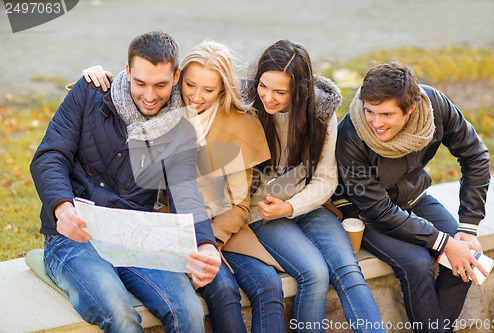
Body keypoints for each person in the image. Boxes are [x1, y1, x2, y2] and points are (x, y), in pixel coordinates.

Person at [82, 41, 286, 333]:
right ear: (178, 79)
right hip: (173, 225)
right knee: (223, 290)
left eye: (209, 90)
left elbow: (239, 205)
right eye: (191, 85)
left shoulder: (240, 125)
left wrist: (211, 241)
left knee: (268, 284)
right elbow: (129, 88)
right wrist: (94, 73)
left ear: (223, 90)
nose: (196, 97)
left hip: (223, 227)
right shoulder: (159, 107)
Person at [30, 31, 221, 333]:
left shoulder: (180, 127)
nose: (149, 95)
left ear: (176, 77)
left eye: (160, 84)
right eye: (140, 82)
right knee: (121, 316)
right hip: (75, 236)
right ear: (128, 71)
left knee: (188, 311)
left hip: (135, 238)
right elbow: (50, 155)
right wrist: (61, 207)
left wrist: (206, 244)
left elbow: (186, 190)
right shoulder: (89, 92)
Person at [333, 61, 490, 332]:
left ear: (411, 108)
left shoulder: (435, 107)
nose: (375, 123)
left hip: (412, 196)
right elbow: (377, 210)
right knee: (417, 265)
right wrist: (444, 242)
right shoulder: (350, 134)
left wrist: (467, 226)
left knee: (465, 257)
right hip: (365, 210)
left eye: (386, 114)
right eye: (369, 111)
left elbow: (475, 155)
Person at [245, 40, 385, 333]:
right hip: (263, 211)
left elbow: (325, 179)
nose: (268, 97)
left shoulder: (321, 114)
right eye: (263, 86)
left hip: (307, 204)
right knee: (315, 273)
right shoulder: (247, 111)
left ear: (299, 91)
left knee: (348, 269)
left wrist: (293, 206)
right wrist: (277, 208)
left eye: (280, 92)